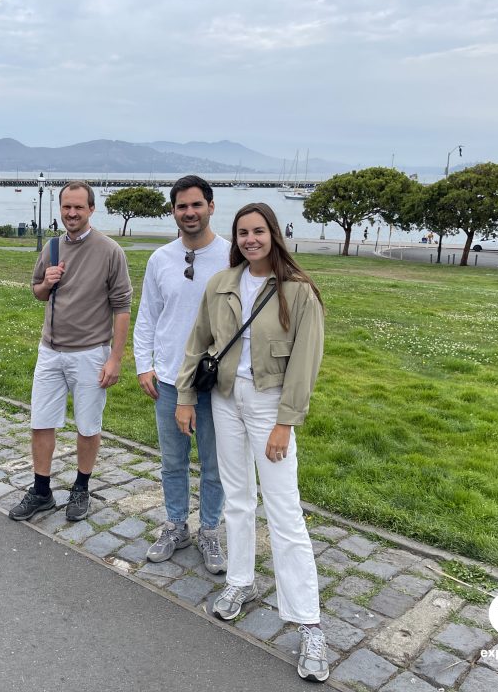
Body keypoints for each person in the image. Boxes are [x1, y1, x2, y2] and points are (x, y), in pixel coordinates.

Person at [175, 201, 329, 682]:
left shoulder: (298, 291)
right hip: (226, 401)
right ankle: (241, 581)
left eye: (258, 231)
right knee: (238, 498)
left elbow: (305, 361)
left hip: (270, 404)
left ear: (273, 234)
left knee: (284, 511)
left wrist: (286, 422)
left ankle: (308, 622)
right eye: (243, 233)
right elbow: (197, 342)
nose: (250, 240)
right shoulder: (222, 283)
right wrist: (184, 396)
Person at [9, 182, 132, 523]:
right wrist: (46, 282)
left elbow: (122, 308)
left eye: (79, 207)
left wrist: (115, 359)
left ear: (91, 209)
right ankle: (41, 491)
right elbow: (37, 292)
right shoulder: (52, 247)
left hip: (90, 352)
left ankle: (81, 487)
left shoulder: (110, 251)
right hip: (50, 350)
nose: (72, 213)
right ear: (60, 209)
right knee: (41, 422)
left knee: (88, 426)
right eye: (67, 207)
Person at [134, 176, 229, 573]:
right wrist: (144, 364)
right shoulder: (161, 259)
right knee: (173, 462)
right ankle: (176, 526)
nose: (189, 213)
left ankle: (209, 530)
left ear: (211, 206)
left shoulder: (231, 256)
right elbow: (148, 315)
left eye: (196, 205)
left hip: (215, 381)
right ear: (173, 211)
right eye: (181, 206)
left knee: (214, 465)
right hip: (170, 378)